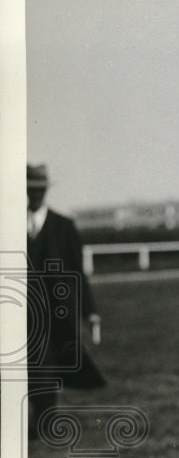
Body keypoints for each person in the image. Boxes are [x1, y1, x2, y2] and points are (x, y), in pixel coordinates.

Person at [26, 163, 104, 438]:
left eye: (39, 188)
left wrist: (89, 311)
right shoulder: (10, 223)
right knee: (26, 366)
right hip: (21, 312)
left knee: (46, 364)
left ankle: (45, 420)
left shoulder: (63, 226)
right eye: (30, 188)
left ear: (46, 189)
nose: (34, 193)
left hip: (56, 314)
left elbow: (78, 273)